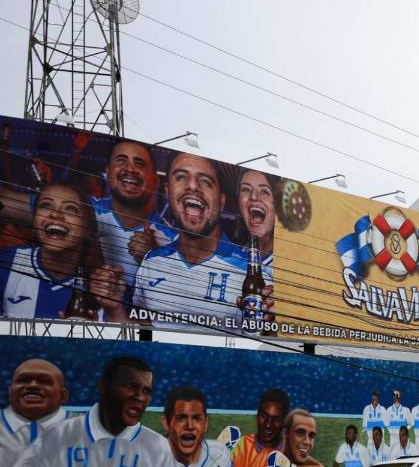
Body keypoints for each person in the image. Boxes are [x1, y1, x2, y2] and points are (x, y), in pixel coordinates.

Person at [0, 356, 173, 467]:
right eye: (131, 387)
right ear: (103, 386)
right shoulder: (59, 435)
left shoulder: (157, 445)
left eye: (146, 391)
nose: (140, 397)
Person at [102, 152, 249, 329]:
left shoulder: (251, 273)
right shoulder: (151, 262)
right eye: (181, 177)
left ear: (221, 201)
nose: (193, 186)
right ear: (168, 192)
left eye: (205, 181)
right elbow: (146, 332)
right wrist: (115, 310)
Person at [0, 182, 102, 319]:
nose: (55, 214)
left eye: (70, 209)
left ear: (88, 230)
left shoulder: (106, 286)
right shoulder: (7, 261)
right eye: (46, 206)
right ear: (34, 223)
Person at [90, 139, 176, 298]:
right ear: (108, 172)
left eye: (140, 163)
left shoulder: (172, 242)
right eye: (121, 160)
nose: (130, 169)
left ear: (156, 181)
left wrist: (154, 259)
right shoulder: (83, 211)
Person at [234, 168, 279, 283]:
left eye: (264, 191)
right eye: (246, 189)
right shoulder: (232, 256)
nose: (253, 197)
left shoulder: (291, 262)